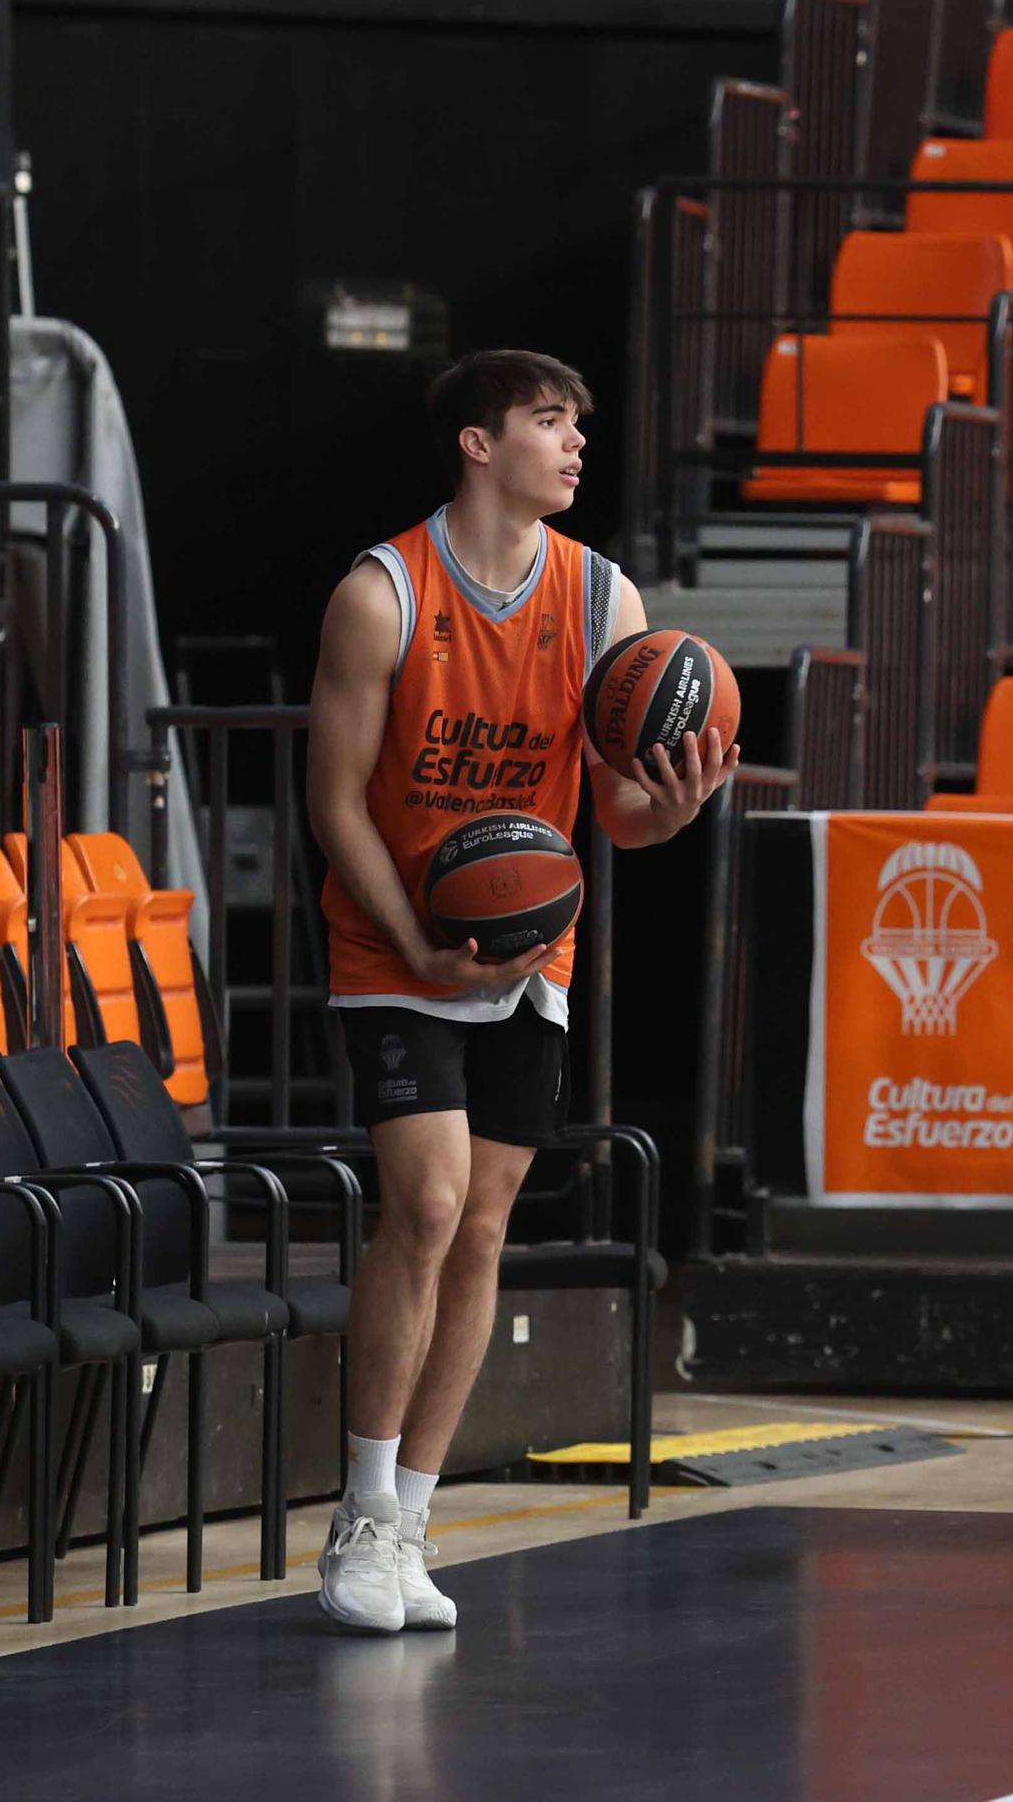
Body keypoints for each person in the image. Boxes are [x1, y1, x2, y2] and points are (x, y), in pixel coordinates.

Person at [306, 348, 737, 1632]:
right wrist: (419, 942)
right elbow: (334, 802)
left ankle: (413, 1523)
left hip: (528, 958)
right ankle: (359, 1512)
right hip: (397, 944)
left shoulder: (605, 597)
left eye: (579, 423)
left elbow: (616, 811)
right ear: (479, 445)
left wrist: (671, 809)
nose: (577, 443)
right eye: (551, 421)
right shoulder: (380, 595)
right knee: (427, 1205)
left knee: (487, 1228)